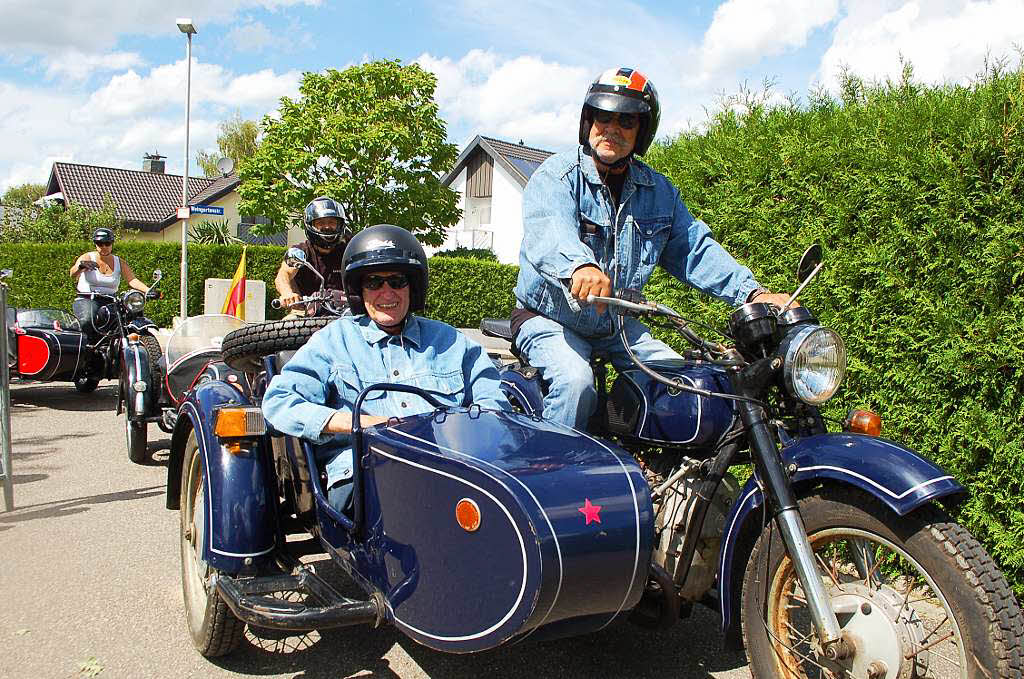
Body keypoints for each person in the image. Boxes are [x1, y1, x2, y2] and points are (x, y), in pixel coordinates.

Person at [513, 67, 794, 429]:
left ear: (642, 131)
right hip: (548, 318)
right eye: (603, 116)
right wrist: (580, 268)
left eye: (626, 120)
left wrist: (753, 292)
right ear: (588, 121)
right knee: (575, 383)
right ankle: (552, 481)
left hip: (615, 324)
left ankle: (667, 477)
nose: (612, 128)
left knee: (687, 386)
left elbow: (695, 250)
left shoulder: (658, 192)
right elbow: (549, 232)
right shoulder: (556, 177)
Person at [262, 224, 512, 511]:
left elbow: (494, 409)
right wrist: (362, 424)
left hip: (449, 469)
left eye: (396, 281)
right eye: (373, 283)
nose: (386, 292)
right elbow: (278, 404)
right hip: (365, 474)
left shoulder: (452, 342)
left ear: (413, 287)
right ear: (359, 290)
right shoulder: (334, 341)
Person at [70, 227, 156, 340]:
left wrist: (149, 290)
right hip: (88, 299)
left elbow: (132, 280)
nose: (104, 247)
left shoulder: (119, 262)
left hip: (111, 300)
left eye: (107, 243)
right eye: (100, 244)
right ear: (95, 244)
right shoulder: (88, 257)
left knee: (126, 319)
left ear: (112, 243)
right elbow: (72, 274)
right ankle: (86, 350)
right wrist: (80, 267)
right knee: (86, 321)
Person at [274, 196, 350, 316]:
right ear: (310, 225)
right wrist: (287, 293)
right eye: (320, 223)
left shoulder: (349, 251)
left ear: (340, 224)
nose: (327, 227)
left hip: (346, 312)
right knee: (286, 328)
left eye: (332, 222)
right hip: (305, 313)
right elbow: (284, 274)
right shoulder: (301, 251)